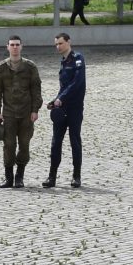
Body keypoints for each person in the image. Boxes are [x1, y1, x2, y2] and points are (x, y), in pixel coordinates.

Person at [0, 35, 41, 188]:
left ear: (21, 46)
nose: (14, 47)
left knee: (24, 144)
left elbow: (36, 89)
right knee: (9, 145)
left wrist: (35, 110)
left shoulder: (30, 67)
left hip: (26, 113)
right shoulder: (1, 68)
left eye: (17, 45)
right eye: (12, 45)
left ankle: (20, 176)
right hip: (9, 113)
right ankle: (8, 177)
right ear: (7, 47)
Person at [43, 32, 87, 188]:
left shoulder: (78, 59)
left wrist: (60, 99)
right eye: (56, 44)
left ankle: (76, 176)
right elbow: (63, 87)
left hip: (74, 108)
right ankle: (52, 176)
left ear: (69, 42)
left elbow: (77, 83)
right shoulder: (63, 62)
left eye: (60, 43)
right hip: (62, 108)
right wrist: (54, 101)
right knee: (56, 143)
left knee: (75, 140)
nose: (58, 46)